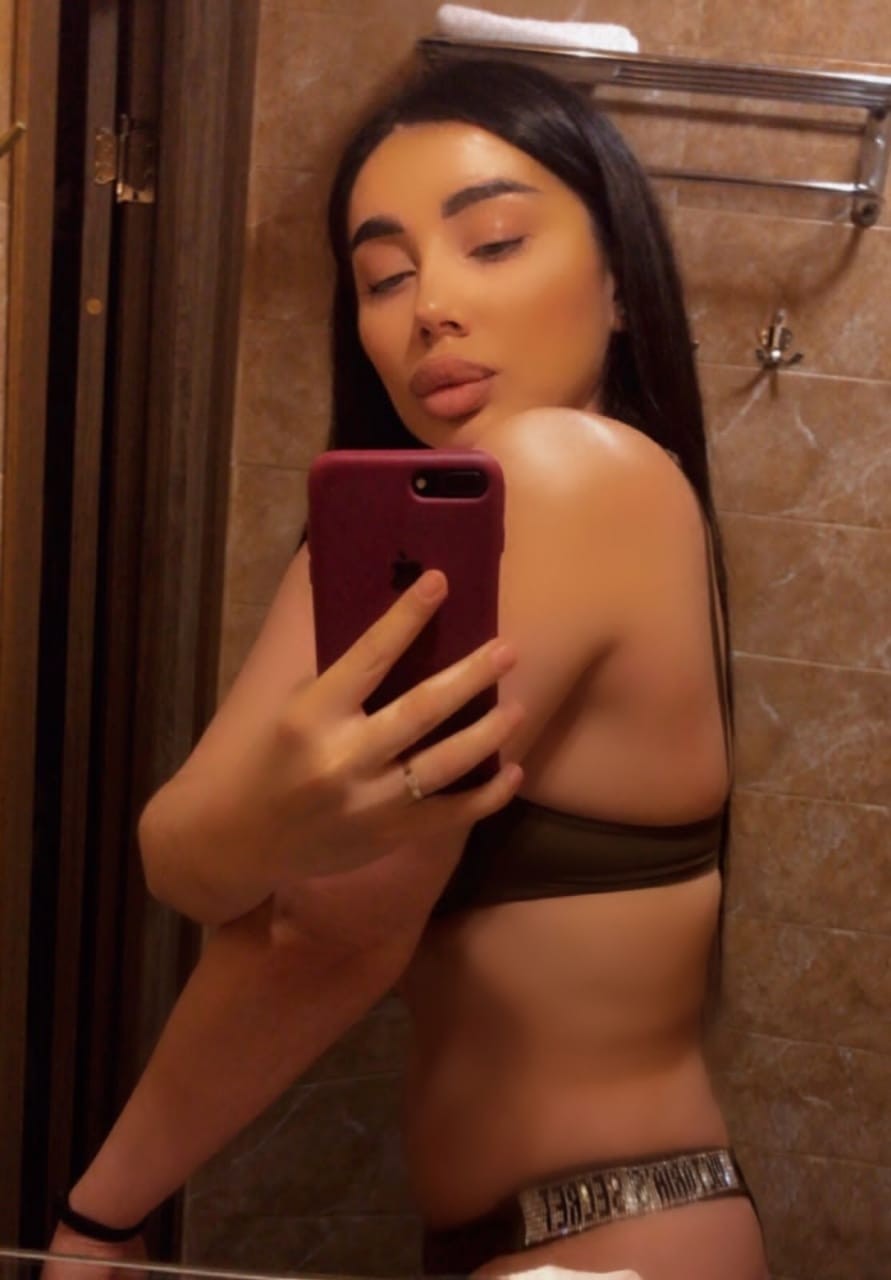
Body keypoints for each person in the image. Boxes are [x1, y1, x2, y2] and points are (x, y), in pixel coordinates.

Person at [49, 58, 768, 1279]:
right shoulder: (428, 530)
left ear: (620, 286)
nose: (431, 304)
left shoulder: (564, 472)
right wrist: (248, 830)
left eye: (494, 243)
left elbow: (325, 930)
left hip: (602, 1248)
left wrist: (99, 1217)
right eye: (384, 275)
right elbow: (184, 856)